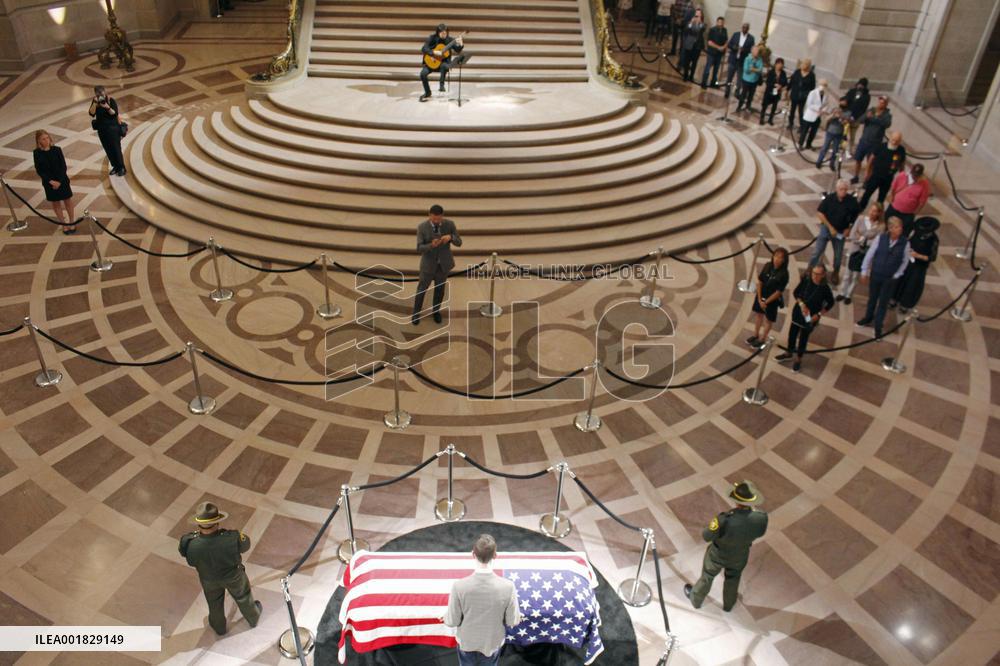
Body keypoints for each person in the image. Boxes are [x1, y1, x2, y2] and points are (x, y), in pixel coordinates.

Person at [178, 502, 261, 636]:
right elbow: (246, 545)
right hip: (234, 576)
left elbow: (188, 558)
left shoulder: (189, 542)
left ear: (198, 524)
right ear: (217, 523)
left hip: (208, 579)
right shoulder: (232, 537)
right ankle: (253, 617)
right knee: (243, 597)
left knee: (214, 603)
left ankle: (219, 627)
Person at [683, 481, 768, 611]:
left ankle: (696, 599)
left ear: (736, 501)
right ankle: (729, 605)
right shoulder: (761, 518)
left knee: (707, 576)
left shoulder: (724, 519)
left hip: (718, 554)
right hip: (740, 554)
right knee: (733, 579)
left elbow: (706, 536)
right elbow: (760, 533)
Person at [443, 534, 521, 666]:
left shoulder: (459, 586)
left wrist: (446, 617)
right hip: (492, 643)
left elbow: (452, 621)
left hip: (467, 642)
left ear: (473, 554)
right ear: (495, 555)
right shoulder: (508, 586)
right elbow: (512, 621)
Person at [857, 217, 909, 338]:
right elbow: (870, 254)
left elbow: (905, 261)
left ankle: (878, 326)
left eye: (900, 227)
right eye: (896, 227)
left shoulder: (905, 243)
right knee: (872, 298)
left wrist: (897, 274)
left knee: (883, 303)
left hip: (889, 278)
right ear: (890, 228)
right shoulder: (880, 238)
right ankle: (868, 318)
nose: (900, 229)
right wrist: (864, 271)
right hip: (876, 274)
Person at [775, 264, 834, 372]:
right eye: (813, 273)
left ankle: (799, 359)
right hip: (798, 312)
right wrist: (801, 304)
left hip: (811, 317)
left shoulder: (825, 288)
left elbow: (831, 303)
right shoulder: (806, 280)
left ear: (823, 275)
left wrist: (819, 314)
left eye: (818, 274)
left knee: (803, 338)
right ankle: (789, 352)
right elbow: (796, 293)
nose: (814, 276)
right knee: (792, 334)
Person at [413, 204, 462, 325]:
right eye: (434, 219)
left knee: (440, 290)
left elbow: (459, 242)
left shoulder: (449, 224)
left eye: (438, 219)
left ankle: (436, 311)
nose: (436, 221)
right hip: (428, 265)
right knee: (422, 289)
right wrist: (431, 245)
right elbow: (419, 248)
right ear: (429, 215)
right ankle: (416, 313)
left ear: (442, 216)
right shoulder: (422, 227)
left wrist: (451, 237)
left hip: (443, 265)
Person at [808, 178, 859, 284]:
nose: (843, 192)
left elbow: (855, 217)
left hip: (840, 231)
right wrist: (830, 228)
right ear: (836, 189)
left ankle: (835, 272)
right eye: (841, 189)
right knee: (817, 251)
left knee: (838, 256)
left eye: (845, 189)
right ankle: (810, 269)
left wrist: (849, 228)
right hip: (827, 228)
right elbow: (820, 213)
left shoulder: (852, 201)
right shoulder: (829, 199)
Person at [837, 201, 884, 305]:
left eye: (875, 211)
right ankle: (842, 292)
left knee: (855, 276)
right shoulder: (861, 219)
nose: (872, 213)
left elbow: (876, 242)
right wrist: (865, 239)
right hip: (854, 250)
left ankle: (848, 295)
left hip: (865, 255)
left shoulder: (880, 226)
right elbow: (852, 235)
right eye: (871, 210)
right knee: (847, 274)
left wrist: (862, 237)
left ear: (879, 213)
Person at [32, 129, 76, 234]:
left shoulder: (57, 150)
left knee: (67, 201)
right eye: (43, 139)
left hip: (62, 180)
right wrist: (51, 181)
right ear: (39, 141)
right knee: (56, 203)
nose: (46, 140)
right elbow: (39, 170)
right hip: (49, 183)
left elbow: (63, 166)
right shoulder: (37, 153)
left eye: (47, 138)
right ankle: (63, 224)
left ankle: (72, 222)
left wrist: (59, 181)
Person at [895, 216, 939, 313]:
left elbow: (932, 257)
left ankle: (905, 304)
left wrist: (918, 255)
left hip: (919, 266)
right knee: (899, 280)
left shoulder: (934, 240)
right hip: (908, 261)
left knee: (911, 285)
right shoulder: (915, 233)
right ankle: (894, 298)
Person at [747, 247, 789, 349]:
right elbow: (760, 282)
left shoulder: (784, 274)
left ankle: (762, 339)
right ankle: (755, 335)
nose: (777, 259)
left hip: (772, 300)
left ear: (784, 260)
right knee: (758, 315)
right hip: (761, 295)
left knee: (768, 320)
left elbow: (778, 292)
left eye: (780, 257)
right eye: (776, 256)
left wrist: (766, 302)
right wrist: (759, 298)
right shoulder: (767, 265)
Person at [857, 131, 906, 211]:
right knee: (867, 193)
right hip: (876, 175)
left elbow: (902, 164)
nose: (894, 142)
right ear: (890, 138)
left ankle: (877, 212)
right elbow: (871, 159)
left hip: (888, 178)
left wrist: (901, 177)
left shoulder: (901, 150)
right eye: (893, 140)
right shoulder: (881, 146)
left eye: (897, 141)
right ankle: (860, 208)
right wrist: (867, 172)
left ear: (900, 141)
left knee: (881, 197)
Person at [851, 95, 892, 184]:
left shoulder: (887, 115)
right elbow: (860, 120)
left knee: (870, 164)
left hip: (875, 143)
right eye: (880, 102)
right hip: (864, 140)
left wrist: (873, 118)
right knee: (858, 159)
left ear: (886, 104)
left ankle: (867, 180)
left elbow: (886, 124)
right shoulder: (871, 110)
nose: (880, 104)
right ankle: (856, 176)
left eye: (883, 103)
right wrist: (866, 116)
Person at [420, 23, 464, 102]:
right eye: (442, 33)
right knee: (422, 74)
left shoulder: (450, 40)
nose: (444, 35)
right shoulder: (432, 38)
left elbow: (458, 50)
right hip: (431, 62)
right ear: (438, 32)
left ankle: (441, 85)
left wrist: (461, 43)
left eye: (445, 33)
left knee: (445, 66)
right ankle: (428, 92)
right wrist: (433, 52)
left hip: (442, 65)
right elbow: (424, 48)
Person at [88, 85, 126, 176]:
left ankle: (121, 167)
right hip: (102, 130)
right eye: (98, 94)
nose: (100, 95)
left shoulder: (110, 100)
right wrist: (95, 103)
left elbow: (115, 113)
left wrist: (107, 107)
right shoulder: (95, 102)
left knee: (116, 148)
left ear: (104, 92)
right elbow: (91, 113)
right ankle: (115, 166)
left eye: (101, 93)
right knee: (108, 149)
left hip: (112, 129)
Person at [884, 163, 931, 236]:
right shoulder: (902, 176)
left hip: (907, 214)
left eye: (917, 176)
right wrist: (892, 198)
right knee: (887, 226)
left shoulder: (924, 184)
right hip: (894, 208)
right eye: (914, 175)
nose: (915, 177)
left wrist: (915, 213)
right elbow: (893, 187)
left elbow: (922, 201)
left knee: (903, 232)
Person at [815, 100, 848, 170]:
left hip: (838, 134)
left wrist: (841, 119)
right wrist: (833, 115)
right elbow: (827, 119)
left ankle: (832, 164)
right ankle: (819, 161)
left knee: (835, 150)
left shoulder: (845, 114)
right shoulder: (834, 111)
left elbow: (845, 123)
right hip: (830, 133)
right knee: (825, 147)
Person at [798, 78, 829, 150]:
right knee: (804, 131)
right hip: (810, 115)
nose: (823, 86)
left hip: (818, 116)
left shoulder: (826, 95)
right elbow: (809, 104)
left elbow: (826, 104)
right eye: (822, 84)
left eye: (825, 85)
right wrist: (818, 109)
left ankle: (808, 144)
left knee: (813, 132)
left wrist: (823, 110)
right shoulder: (813, 93)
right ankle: (800, 144)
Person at [725, 23, 754, 97]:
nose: (744, 29)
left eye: (746, 28)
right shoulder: (736, 35)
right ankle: (727, 91)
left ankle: (737, 93)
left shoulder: (751, 38)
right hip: (733, 59)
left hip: (742, 61)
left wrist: (744, 50)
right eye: (743, 27)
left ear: (748, 29)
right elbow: (729, 44)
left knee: (739, 80)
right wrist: (734, 47)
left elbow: (751, 50)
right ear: (742, 27)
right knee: (729, 77)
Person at [843, 77, 871, 152]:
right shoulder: (852, 91)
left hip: (855, 119)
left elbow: (863, 109)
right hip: (846, 116)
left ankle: (849, 150)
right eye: (859, 84)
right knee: (843, 133)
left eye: (862, 85)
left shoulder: (866, 96)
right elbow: (845, 100)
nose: (860, 86)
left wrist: (853, 117)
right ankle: (841, 147)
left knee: (852, 136)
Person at [787, 59, 815, 131]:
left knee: (801, 111)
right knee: (792, 110)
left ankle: (801, 126)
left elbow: (812, 87)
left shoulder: (811, 75)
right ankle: (790, 123)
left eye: (806, 64)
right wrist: (787, 90)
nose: (804, 65)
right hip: (794, 94)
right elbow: (791, 81)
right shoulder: (797, 72)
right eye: (803, 64)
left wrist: (809, 95)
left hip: (803, 96)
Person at [679, 8, 705, 82]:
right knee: (687, 61)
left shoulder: (703, 24)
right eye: (696, 14)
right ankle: (685, 75)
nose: (697, 16)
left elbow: (701, 30)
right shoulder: (690, 23)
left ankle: (691, 76)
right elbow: (686, 30)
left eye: (699, 14)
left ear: (701, 16)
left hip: (697, 46)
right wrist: (691, 23)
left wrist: (699, 23)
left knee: (694, 62)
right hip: (689, 45)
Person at [700, 16, 727, 88]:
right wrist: (718, 47)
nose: (721, 24)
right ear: (717, 22)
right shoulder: (712, 30)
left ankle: (713, 83)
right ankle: (704, 83)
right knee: (708, 68)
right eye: (719, 22)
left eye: (722, 22)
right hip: (711, 53)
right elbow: (709, 42)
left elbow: (726, 40)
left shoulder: (724, 30)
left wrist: (724, 47)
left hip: (719, 54)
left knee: (716, 69)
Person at [758, 57, 787, 125]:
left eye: (781, 64)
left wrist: (780, 86)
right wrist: (774, 85)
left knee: (774, 106)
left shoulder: (783, 73)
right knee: (765, 105)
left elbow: (785, 82)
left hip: (777, 92)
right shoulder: (771, 72)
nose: (780, 65)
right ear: (776, 64)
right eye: (779, 64)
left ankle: (770, 119)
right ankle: (762, 118)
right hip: (769, 91)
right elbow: (768, 82)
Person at [735, 44, 763, 113]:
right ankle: (739, 106)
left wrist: (753, 69)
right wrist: (755, 69)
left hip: (754, 80)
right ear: (752, 51)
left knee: (751, 95)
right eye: (755, 50)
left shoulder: (760, 59)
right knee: (743, 94)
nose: (757, 52)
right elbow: (746, 70)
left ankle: (748, 106)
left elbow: (760, 70)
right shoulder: (747, 59)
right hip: (746, 80)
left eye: (758, 51)